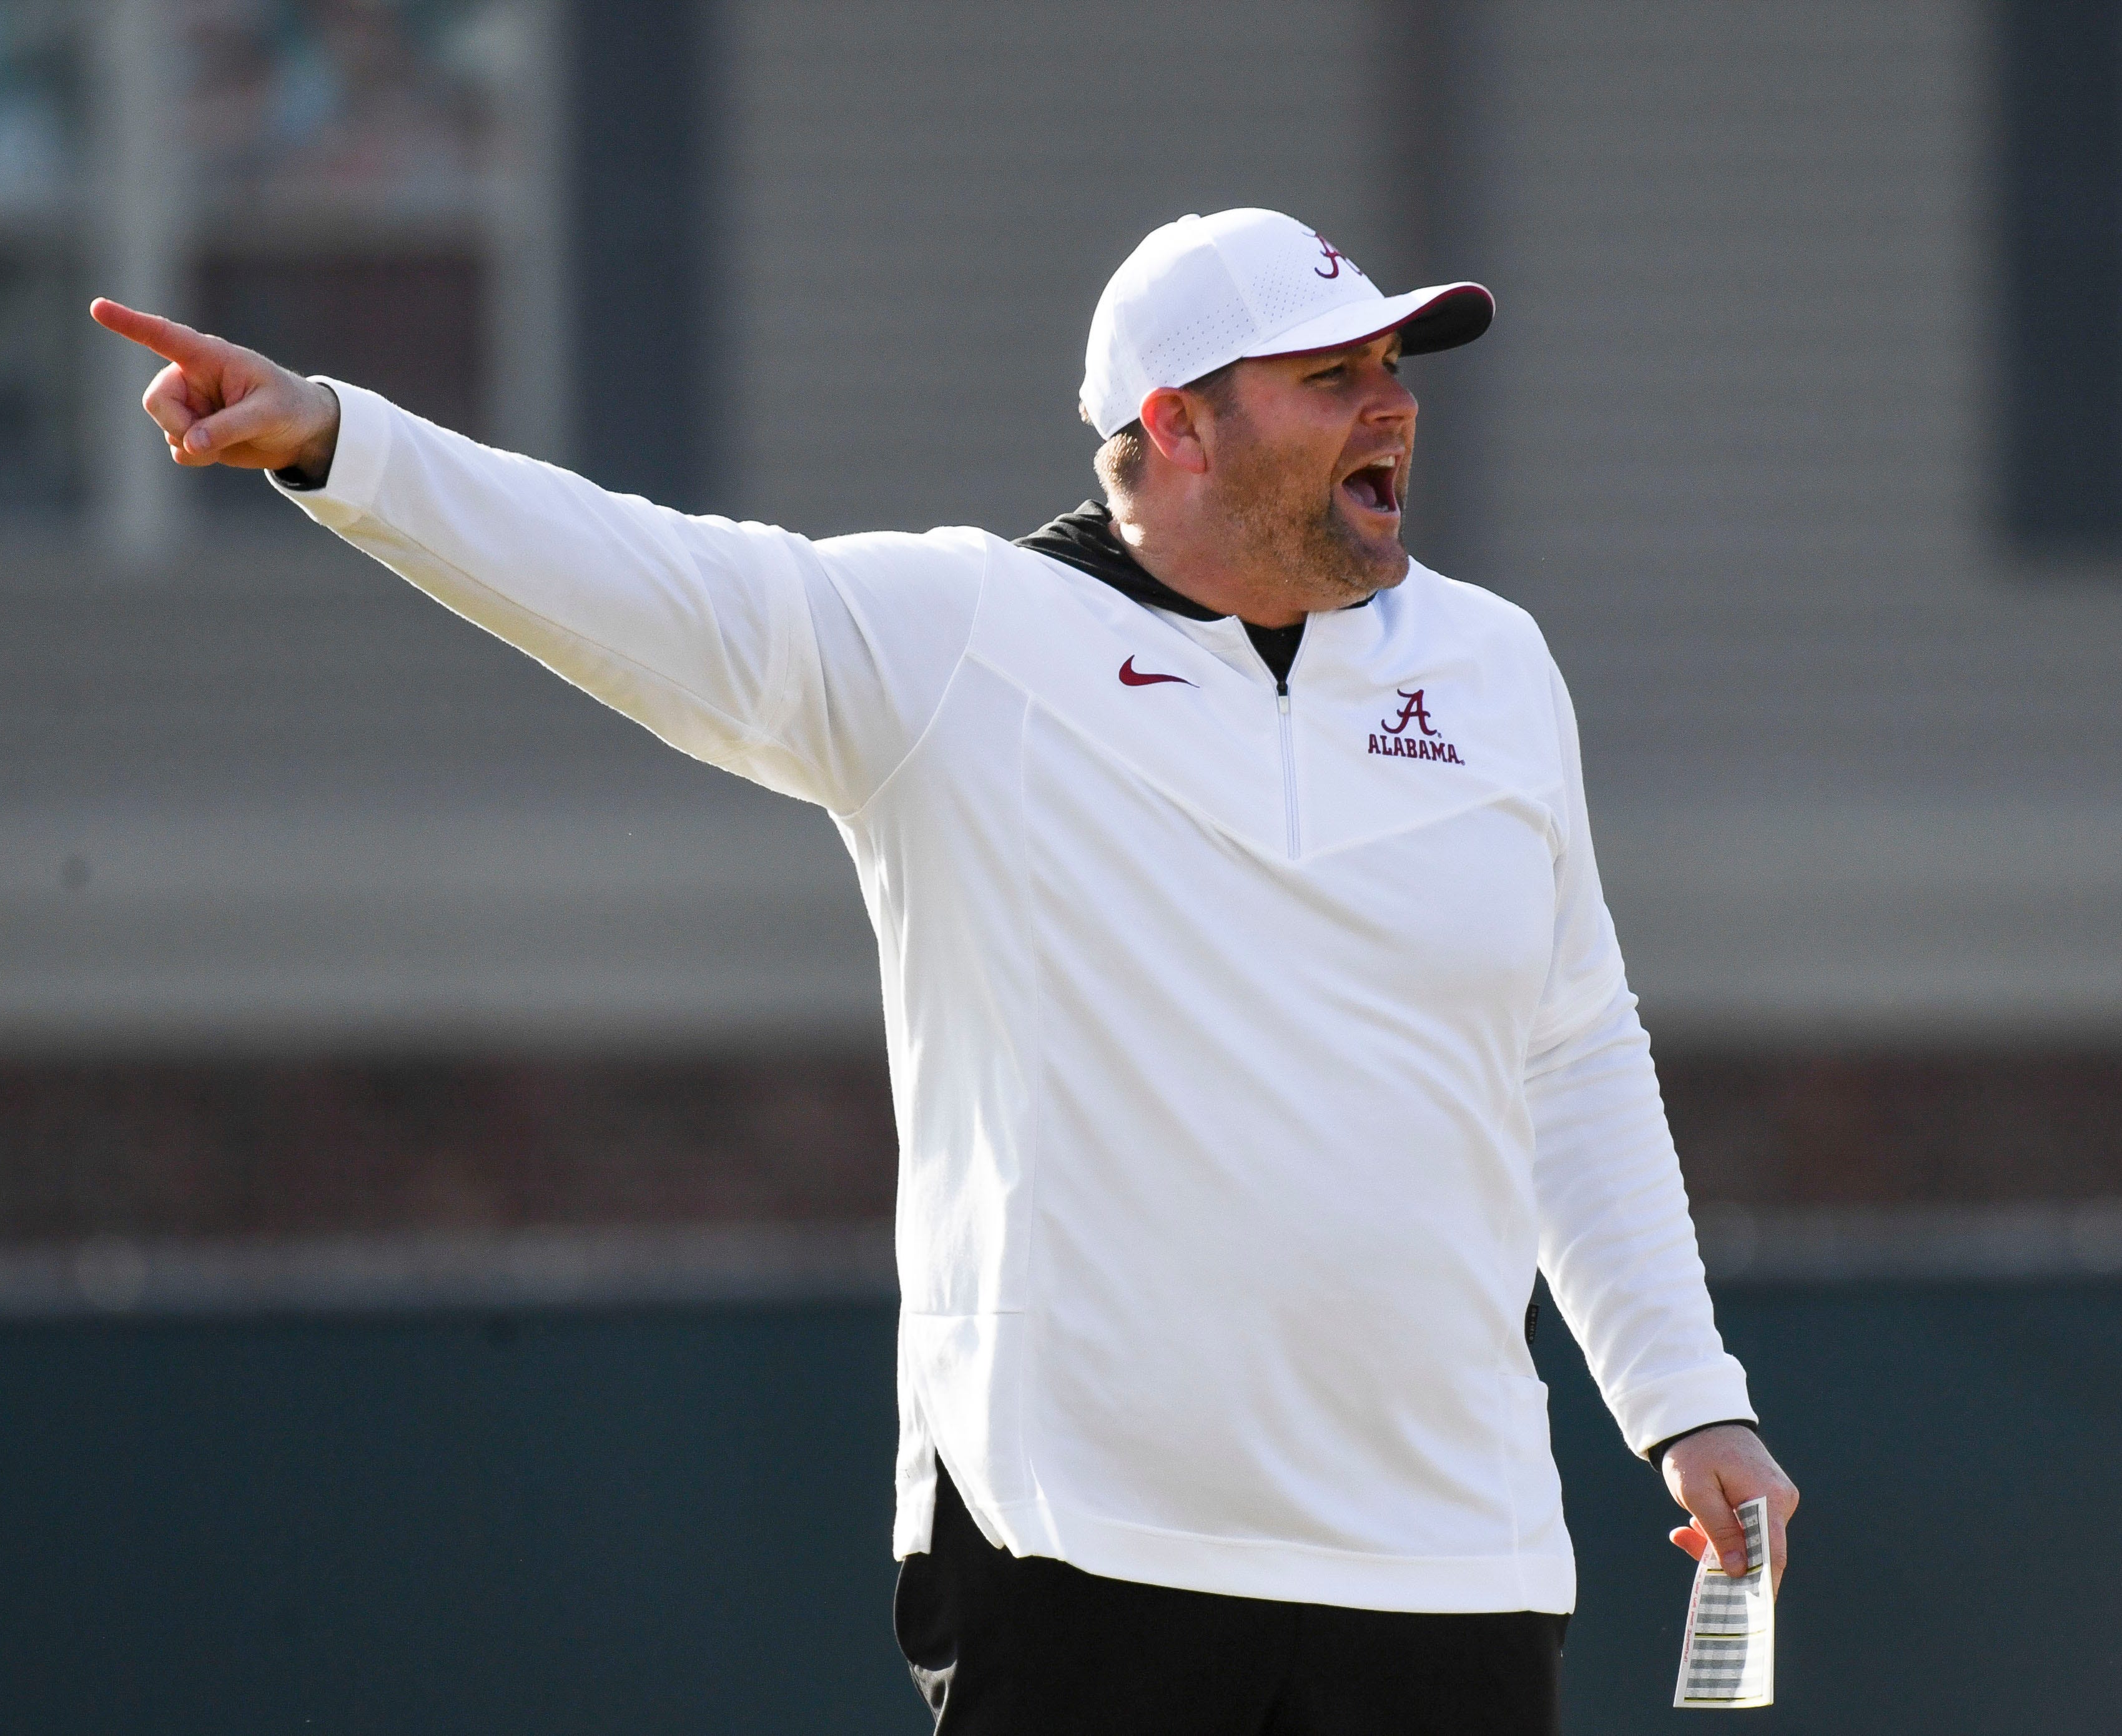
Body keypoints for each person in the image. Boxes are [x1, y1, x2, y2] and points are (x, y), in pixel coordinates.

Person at [92, 206, 1797, 1735]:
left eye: (1391, 367)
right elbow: (634, 575)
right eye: (1328, 374)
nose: (1391, 404)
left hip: (1449, 1563)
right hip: (1086, 1545)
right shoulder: (957, 638)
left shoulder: (1495, 669)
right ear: (1174, 426)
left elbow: (1569, 1050)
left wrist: (1682, 1398)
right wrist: (340, 442)